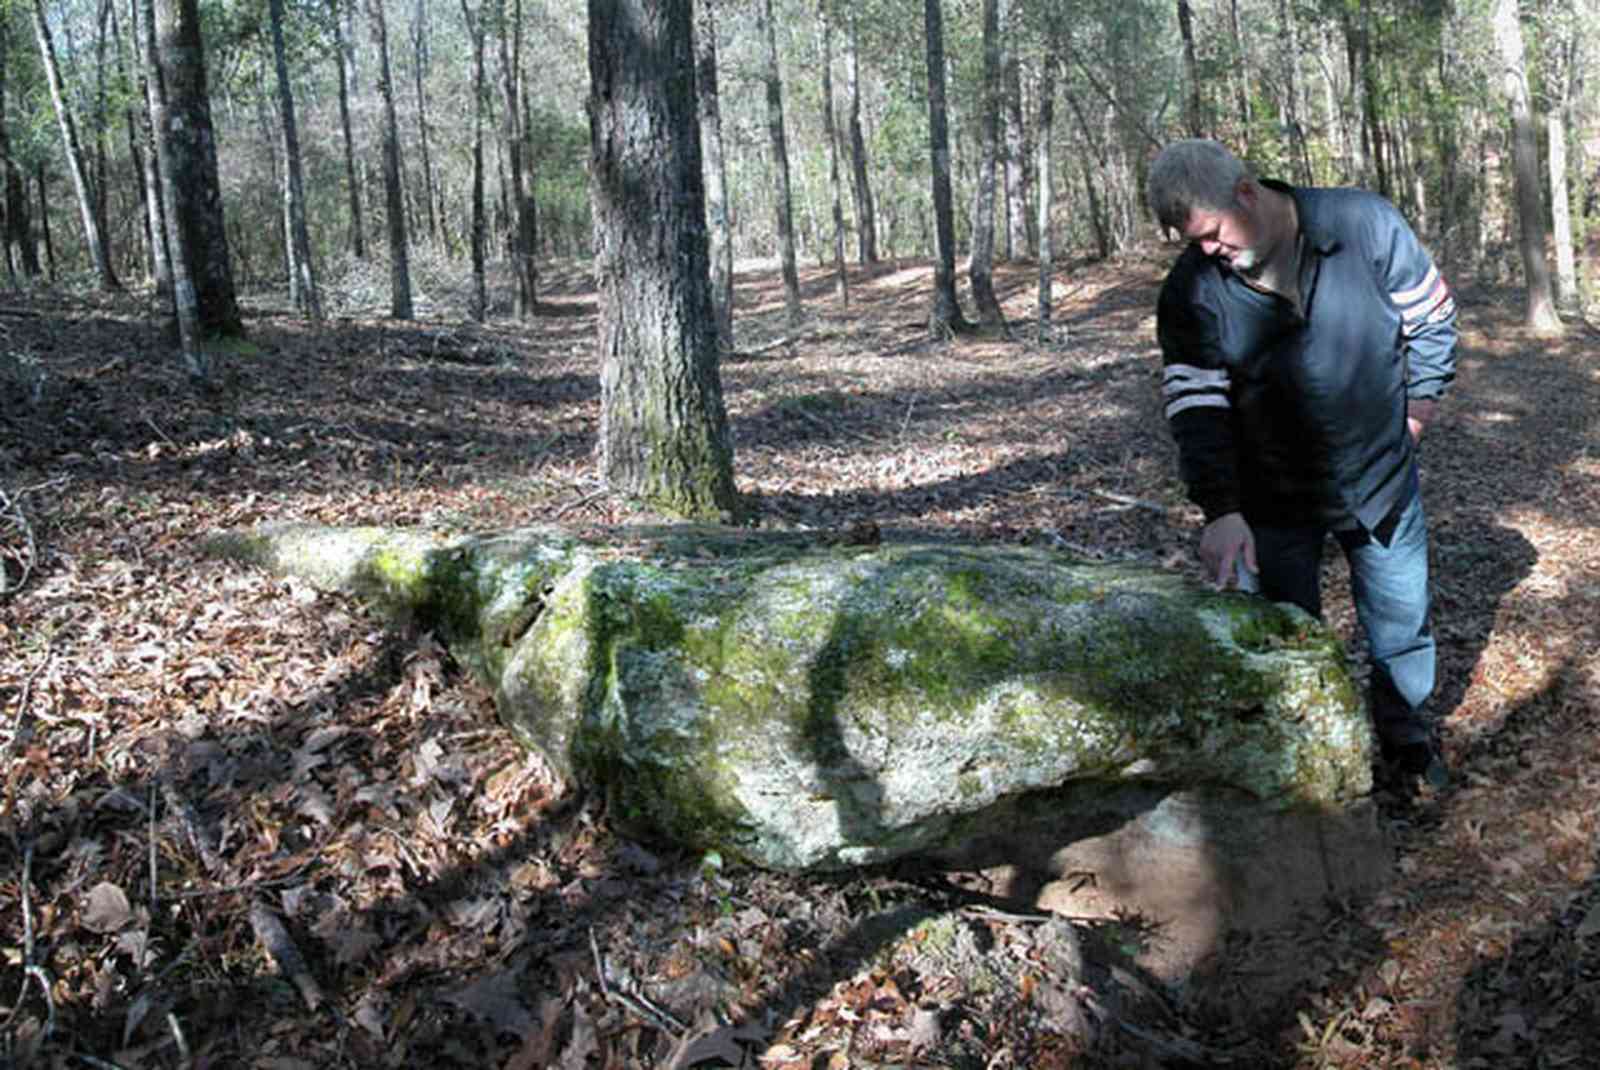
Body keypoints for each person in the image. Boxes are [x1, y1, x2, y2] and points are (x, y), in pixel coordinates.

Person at [1147, 139, 1457, 791]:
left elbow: (1433, 320)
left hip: (1380, 482)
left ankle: (1407, 746)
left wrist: (1416, 416)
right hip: (1271, 498)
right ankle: (1308, 769)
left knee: (1401, 626)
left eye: (1208, 233)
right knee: (1283, 641)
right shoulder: (1191, 290)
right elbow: (1197, 407)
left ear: (1247, 194)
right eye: (1189, 240)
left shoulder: (1362, 224)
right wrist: (1222, 510)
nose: (1204, 250)